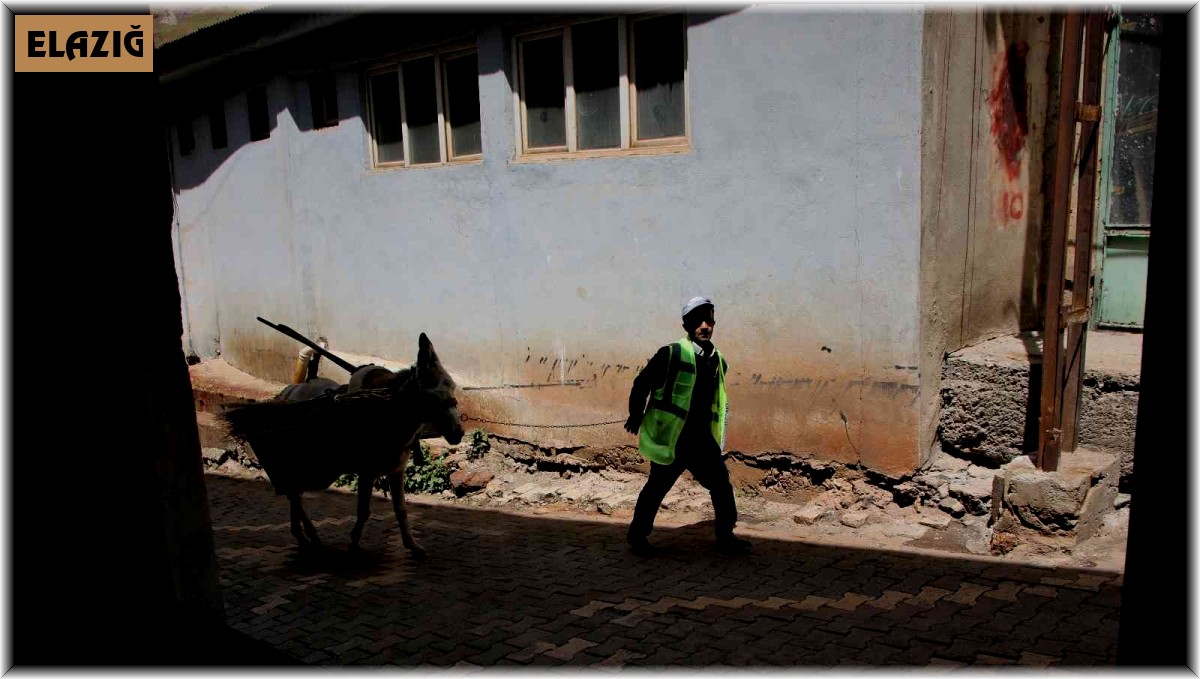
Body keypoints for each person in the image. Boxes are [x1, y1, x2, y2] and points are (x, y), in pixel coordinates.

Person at [624, 296, 752, 557]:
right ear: (687, 325)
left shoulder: (717, 360)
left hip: (702, 439)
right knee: (657, 487)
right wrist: (636, 415)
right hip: (674, 438)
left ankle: (726, 536)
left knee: (721, 484)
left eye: (709, 320)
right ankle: (637, 536)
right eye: (698, 321)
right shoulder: (671, 353)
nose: (705, 326)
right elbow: (641, 384)